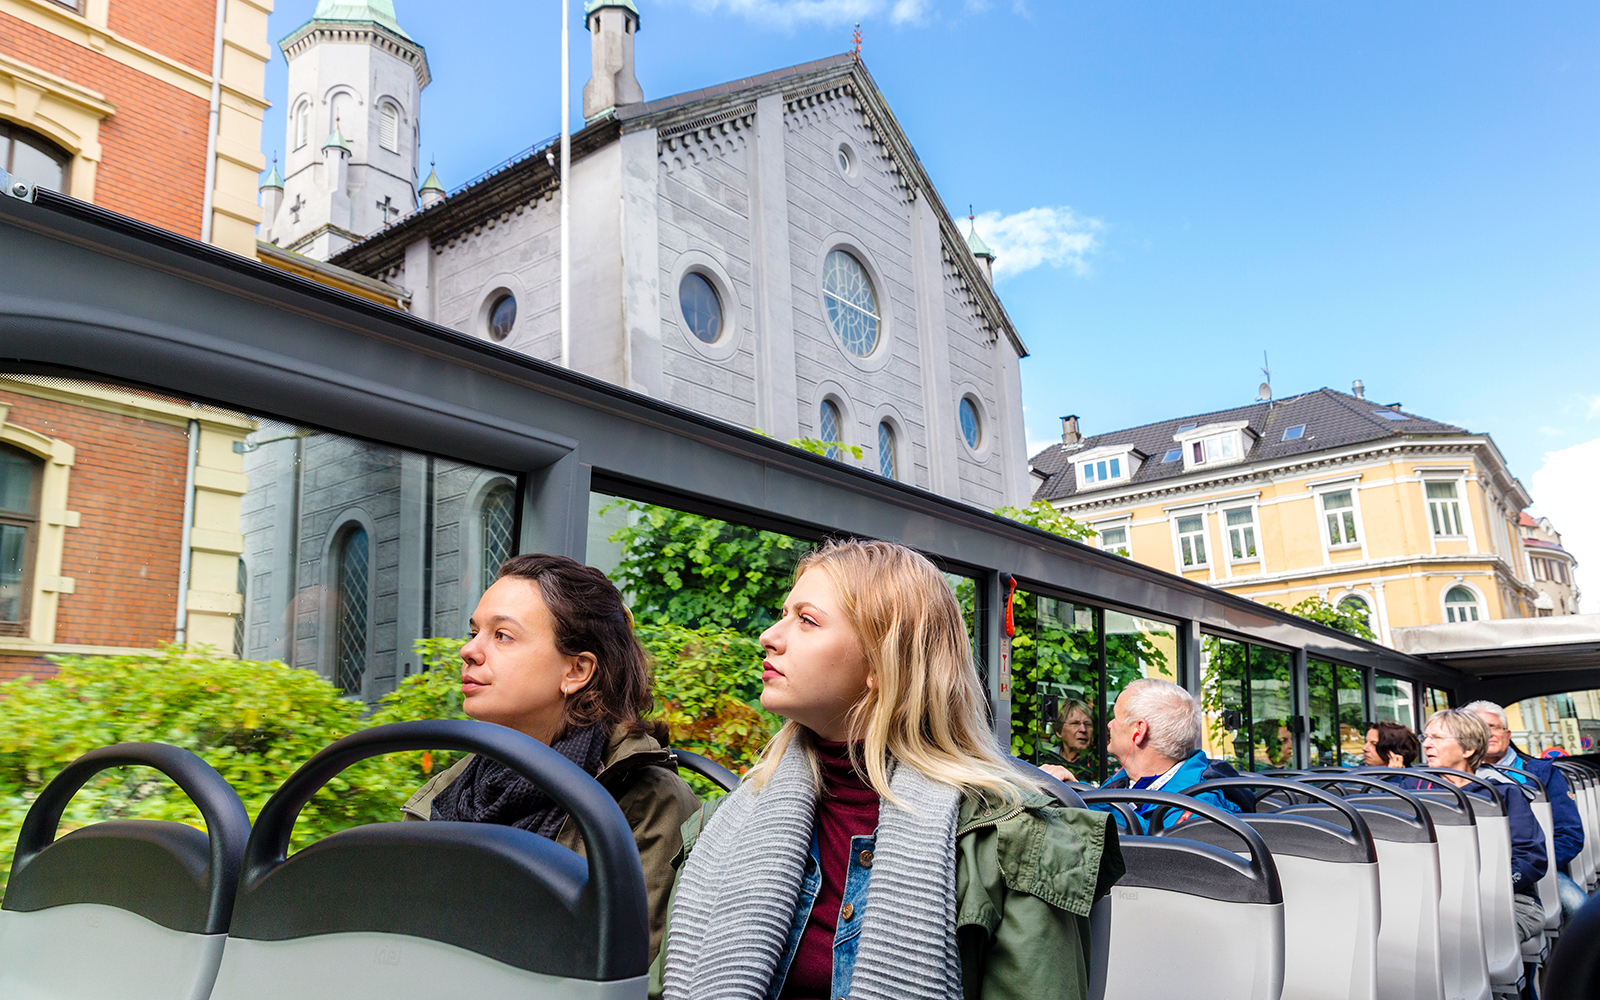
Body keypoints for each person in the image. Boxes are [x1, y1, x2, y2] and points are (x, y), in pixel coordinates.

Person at [650, 539, 1124, 1000]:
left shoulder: (1009, 841)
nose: (769, 637)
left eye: (807, 621)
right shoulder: (721, 827)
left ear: (882, 664)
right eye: (782, 616)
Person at [402, 554, 701, 962]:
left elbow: (623, 974)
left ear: (576, 671)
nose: (468, 650)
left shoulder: (647, 805)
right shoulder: (452, 788)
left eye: (502, 635)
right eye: (474, 632)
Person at [1419, 708, 1547, 943]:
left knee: (1458, 939)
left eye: (1436, 738)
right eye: (1425, 737)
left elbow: (1531, 857)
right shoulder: (1414, 793)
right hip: (1432, 901)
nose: (1427, 745)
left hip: (1507, 901)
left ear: (1468, 749)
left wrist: (1490, 886)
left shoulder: (1503, 794)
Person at [1464, 699, 1590, 922]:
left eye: (1495, 727)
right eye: (1480, 727)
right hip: (1472, 872)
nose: (1489, 734)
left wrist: (1528, 867)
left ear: (1508, 734)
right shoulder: (1453, 779)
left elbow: (1570, 835)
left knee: (1585, 917)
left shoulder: (1540, 774)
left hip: (1536, 867)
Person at [1093, 678, 1254, 831]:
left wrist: (1083, 805)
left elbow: (1158, 851)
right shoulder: (1123, 782)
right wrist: (1076, 793)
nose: (1109, 724)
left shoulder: (1200, 806)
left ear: (1139, 731)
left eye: (1116, 717)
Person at [1038, 698, 1095, 780]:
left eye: (1088, 724)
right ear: (1059, 731)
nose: (1083, 729)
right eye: (1075, 723)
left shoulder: (1098, 765)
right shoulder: (1046, 760)